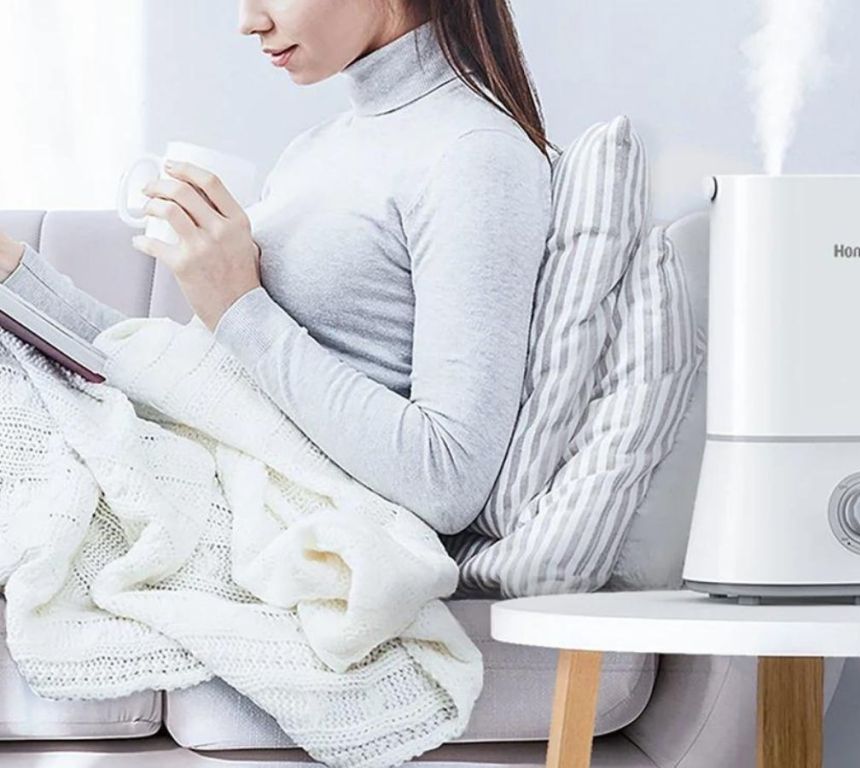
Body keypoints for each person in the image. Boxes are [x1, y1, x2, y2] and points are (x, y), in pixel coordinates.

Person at [0, 0, 554, 537]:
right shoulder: (313, 150)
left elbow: (446, 479)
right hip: (196, 473)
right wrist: (16, 275)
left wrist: (238, 307)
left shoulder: (474, 155)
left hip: (276, 519)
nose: (248, 22)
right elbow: (187, 382)